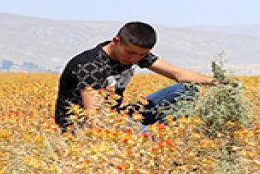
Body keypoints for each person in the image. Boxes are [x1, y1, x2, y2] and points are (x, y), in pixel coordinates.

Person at [54, 21, 217, 131]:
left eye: (141, 55)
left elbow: (178, 74)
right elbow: (95, 118)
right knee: (149, 141)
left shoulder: (135, 53)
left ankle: (170, 132)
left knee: (186, 90)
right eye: (130, 53)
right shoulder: (90, 65)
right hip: (81, 126)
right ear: (116, 41)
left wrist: (217, 83)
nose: (134, 59)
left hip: (116, 116)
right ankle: (159, 139)